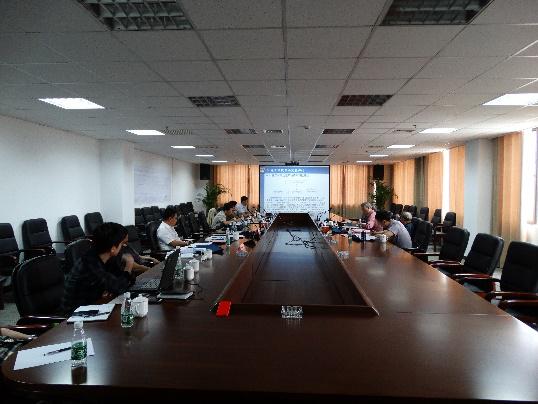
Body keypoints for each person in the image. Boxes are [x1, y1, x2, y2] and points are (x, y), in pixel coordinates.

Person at [61, 222, 135, 315]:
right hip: (75, 316)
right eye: (122, 244)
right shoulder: (89, 264)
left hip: (93, 306)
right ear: (113, 248)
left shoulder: (104, 257)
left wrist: (113, 286)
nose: (124, 247)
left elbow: (125, 282)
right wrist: (129, 265)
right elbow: (119, 286)